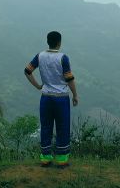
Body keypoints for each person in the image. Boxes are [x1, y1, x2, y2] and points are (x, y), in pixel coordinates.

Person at [24, 31, 79, 167]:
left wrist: (38, 86)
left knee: (46, 126)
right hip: (61, 98)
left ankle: (45, 158)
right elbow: (69, 79)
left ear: (47, 42)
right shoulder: (63, 58)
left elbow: (27, 71)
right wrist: (75, 95)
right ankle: (61, 159)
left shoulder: (40, 56)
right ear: (59, 43)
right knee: (62, 126)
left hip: (46, 98)